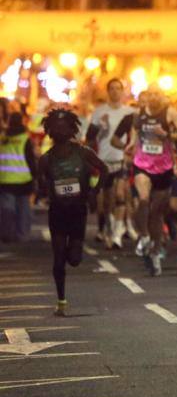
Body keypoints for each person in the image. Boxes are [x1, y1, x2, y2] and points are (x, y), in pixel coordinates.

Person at [37, 109, 109, 316]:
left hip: (78, 212)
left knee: (75, 259)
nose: (60, 130)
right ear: (49, 130)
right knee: (58, 258)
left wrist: (94, 192)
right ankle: (61, 301)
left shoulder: (83, 152)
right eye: (56, 127)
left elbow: (104, 169)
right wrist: (43, 190)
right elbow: (40, 182)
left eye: (64, 126)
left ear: (72, 129)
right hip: (57, 213)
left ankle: (73, 251)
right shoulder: (46, 159)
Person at [116, 89, 177, 273]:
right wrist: (131, 144)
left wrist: (166, 135)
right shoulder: (140, 112)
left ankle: (155, 251)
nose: (153, 99)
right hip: (142, 163)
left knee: (157, 213)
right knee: (144, 199)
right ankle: (144, 236)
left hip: (163, 166)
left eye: (157, 95)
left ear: (162, 97)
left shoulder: (170, 112)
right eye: (150, 95)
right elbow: (136, 132)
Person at [86, 79, 134, 249]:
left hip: (121, 159)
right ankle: (109, 227)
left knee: (120, 195)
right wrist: (102, 128)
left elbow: (134, 137)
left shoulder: (130, 112)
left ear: (123, 91)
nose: (115, 92)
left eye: (118, 89)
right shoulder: (99, 112)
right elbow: (89, 139)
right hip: (103, 161)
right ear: (107, 91)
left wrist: (131, 152)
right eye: (111, 89)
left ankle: (117, 234)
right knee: (106, 201)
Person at [0, 112, 37, 243]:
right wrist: (35, 176)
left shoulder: (3, 138)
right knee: (24, 208)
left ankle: (6, 233)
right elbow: (30, 160)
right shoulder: (25, 139)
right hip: (23, 180)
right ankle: (22, 234)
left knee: (6, 209)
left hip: (5, 180)